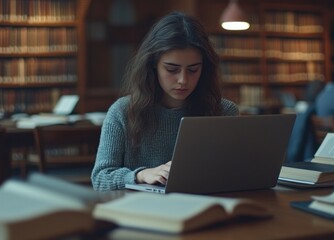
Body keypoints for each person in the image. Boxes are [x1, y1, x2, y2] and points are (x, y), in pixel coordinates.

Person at [91, 12, 239, 191]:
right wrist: (140, 175)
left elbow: (232, 175)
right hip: (140, 212)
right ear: (153, 65)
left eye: (193, 70)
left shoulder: (223, 111)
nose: (183, 80)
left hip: (202, 208)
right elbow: (100, 178)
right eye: (172, 69)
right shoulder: (123, 111)